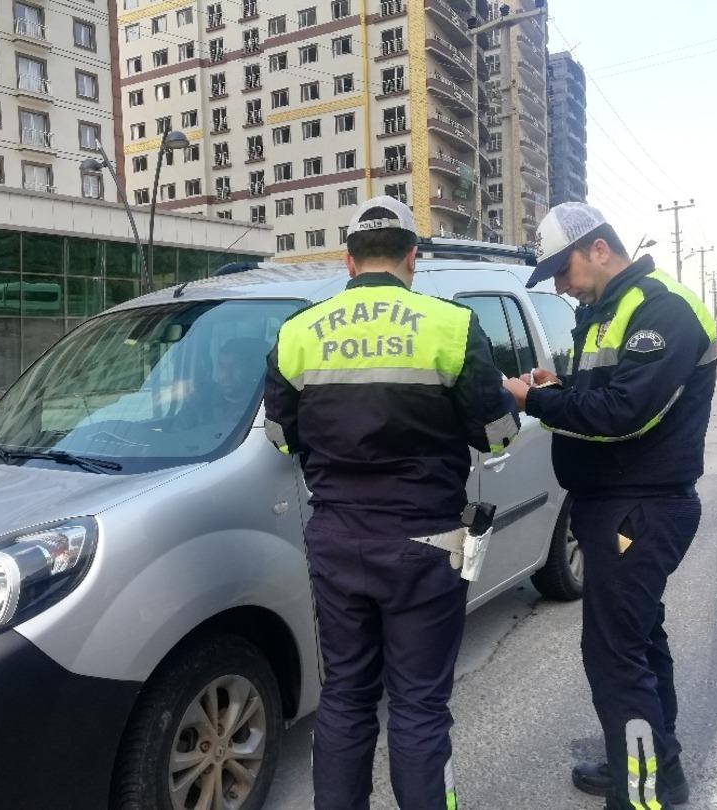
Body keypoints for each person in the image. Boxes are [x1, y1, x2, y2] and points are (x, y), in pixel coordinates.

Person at [264, 196, 519, 810]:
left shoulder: (297, 332)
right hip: (427, 544)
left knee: (346, 696)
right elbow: (497, 435)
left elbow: (281, 438)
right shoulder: (451, 326)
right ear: (412, 257)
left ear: (349, 261)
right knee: (419, 705)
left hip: (338, 541)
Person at [502, 203, 717, 810]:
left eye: (563, 271)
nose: (561, 286)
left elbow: (625, 413)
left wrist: (534, 401)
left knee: (616, 656)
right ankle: (652, 766)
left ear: (598, 249)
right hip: (615, 505)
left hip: (641, 508)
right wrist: (558, 389)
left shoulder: (661, 309)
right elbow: (602, 393)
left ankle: (641, 794)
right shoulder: (604, 311)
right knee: (639, 641)